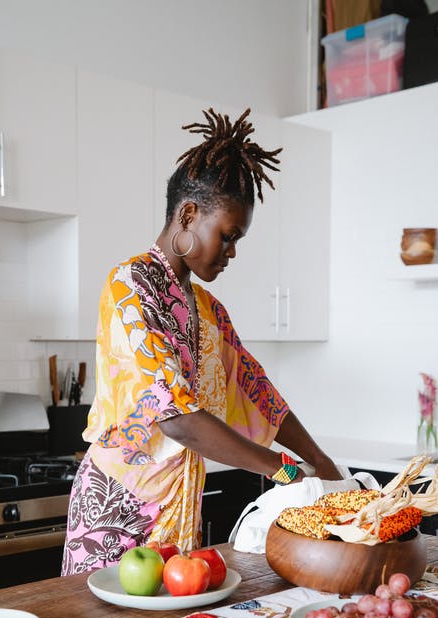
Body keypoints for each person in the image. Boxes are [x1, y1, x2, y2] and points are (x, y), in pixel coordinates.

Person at [61, 108, 342, 575]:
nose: (231, 252)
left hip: (177, 508)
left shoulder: (209, 311)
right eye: (227, 237)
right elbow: (177, 418)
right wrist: (283, 469)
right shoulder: (129, 286)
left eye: (237, 242)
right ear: (188, 214)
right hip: (116, 508)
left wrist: (322, 461)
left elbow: (259, 393)